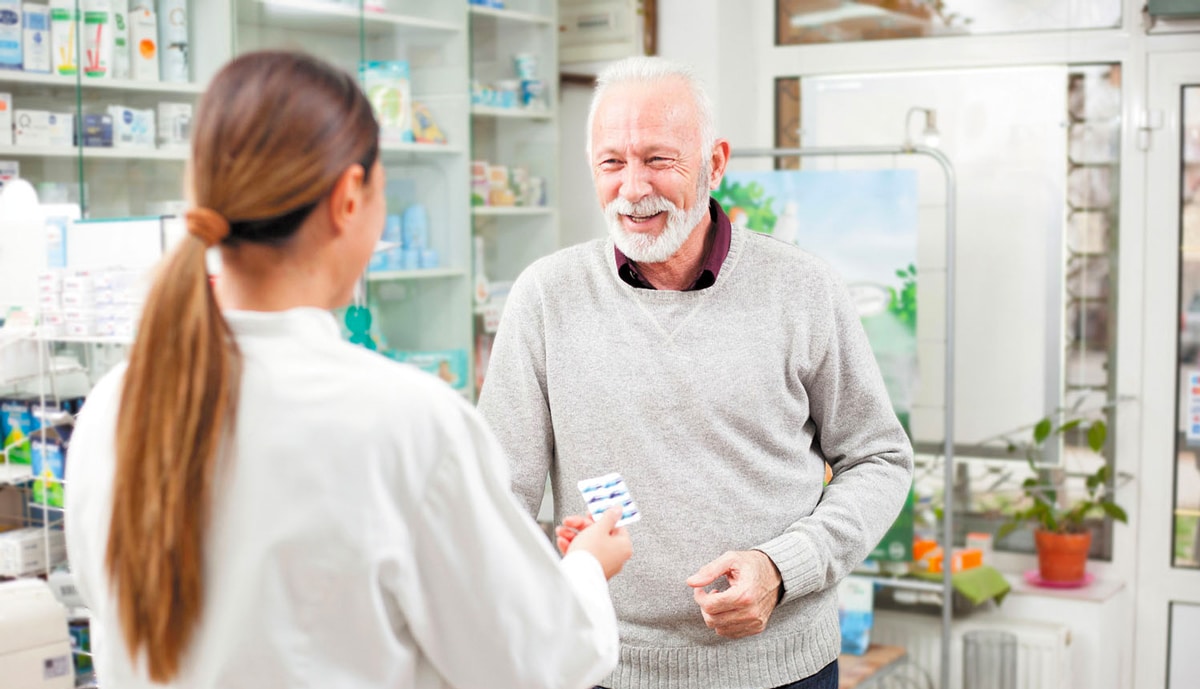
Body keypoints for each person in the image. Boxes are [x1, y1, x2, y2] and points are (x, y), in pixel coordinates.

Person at [63, 51, 631, 689]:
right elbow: (543, 660)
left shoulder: (114, 407)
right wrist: (585, 567)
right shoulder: (406, 423)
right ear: (347, 199)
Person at [477, 56, 914, 689]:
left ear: (715, 162)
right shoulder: (547, 296)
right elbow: (496, 501)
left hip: (782, 669)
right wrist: (555, 561)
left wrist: (782, 567)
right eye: (611, 163)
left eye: (658, 159)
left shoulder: (803, 289)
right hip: (603, 669)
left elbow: (879, 458)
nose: (632, 188)